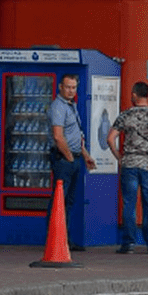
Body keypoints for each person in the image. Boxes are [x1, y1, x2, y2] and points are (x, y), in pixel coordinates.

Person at [106, 81, 148, 255]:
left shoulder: (126, 115)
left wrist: (119, 157)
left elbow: (110, 138)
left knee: (129, 204)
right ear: (147, 95)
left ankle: (129, 243)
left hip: (129, 164)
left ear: (134, 94)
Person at [48, 74, 96, 251]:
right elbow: (58, 137)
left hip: (75, 158)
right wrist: (69, 157)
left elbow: (76, 136)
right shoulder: (58, 107)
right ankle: (55, 239)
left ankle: (64, 239)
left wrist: (85, 155)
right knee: (59, 200)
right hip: (64, 159)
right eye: (68, 87)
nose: (71, 91)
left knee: (68, 201)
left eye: (74, 88)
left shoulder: (71, 106)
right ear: (60, 87)